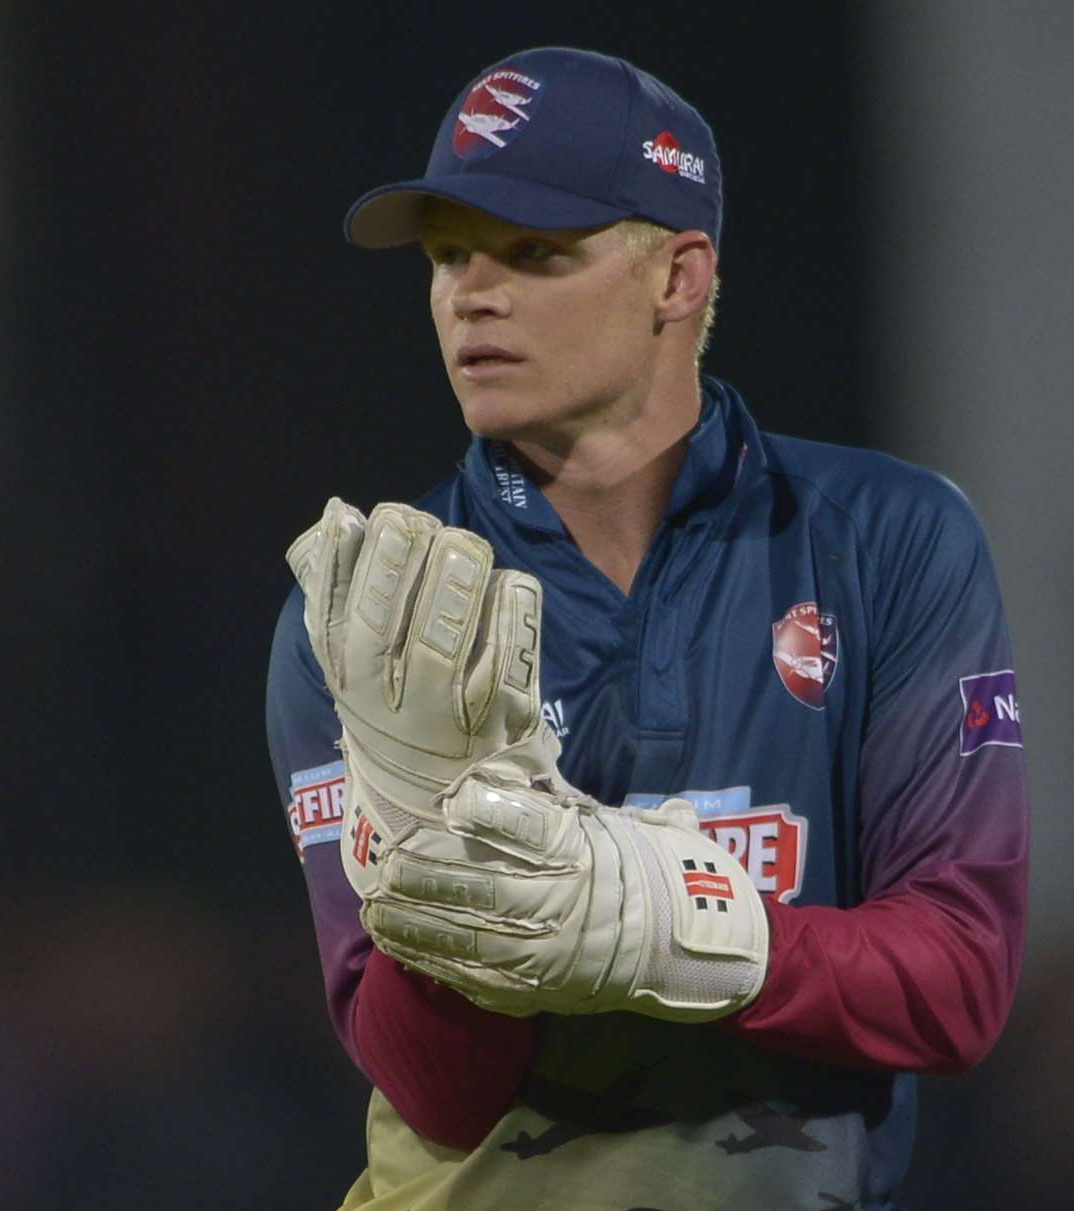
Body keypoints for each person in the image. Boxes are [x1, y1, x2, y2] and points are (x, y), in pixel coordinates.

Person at [266, 46, 1029, 1211]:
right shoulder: (373, 608)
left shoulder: (888, 537)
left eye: (533, 253)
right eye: (448, 254)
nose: (471, 292)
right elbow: (432, 1092)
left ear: (677, 276)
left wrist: (671, 925)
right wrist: (444, 881)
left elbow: (958, 984)